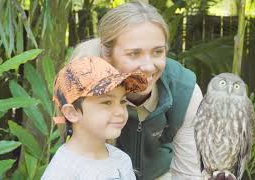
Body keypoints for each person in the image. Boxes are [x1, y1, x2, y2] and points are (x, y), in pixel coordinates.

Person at [70, 1, 203, 179]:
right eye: (134, 53)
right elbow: (82, 162)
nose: (148, 67)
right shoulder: (86, 89)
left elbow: (188, 173)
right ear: (107, 55)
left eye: (157, 52)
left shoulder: (184, 90)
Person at [41, 56, 148, 179]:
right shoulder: (62, 171)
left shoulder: (122, 160)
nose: (120, 111)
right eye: (107, 102)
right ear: (72, 112)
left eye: (123, 101)